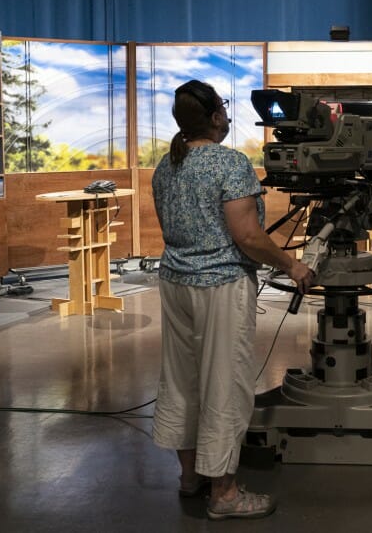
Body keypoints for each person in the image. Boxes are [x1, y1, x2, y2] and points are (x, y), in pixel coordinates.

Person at [151, 79, 314, 521]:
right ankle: (223, 494)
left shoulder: (166, 166)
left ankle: (190, 479)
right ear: (217, 117)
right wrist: (292, 266)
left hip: (175, 283)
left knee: (182, 381)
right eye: (223, 107)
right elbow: (247, 237)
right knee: (224, 384)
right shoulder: (230, 164)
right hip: (220, 288)